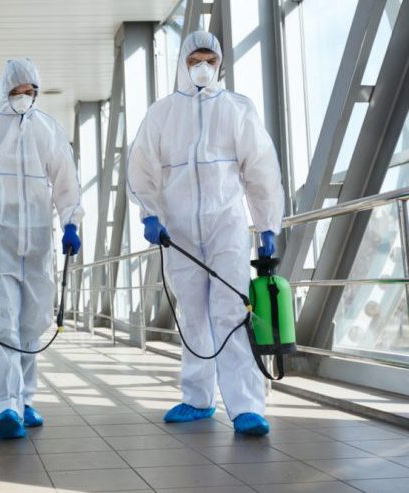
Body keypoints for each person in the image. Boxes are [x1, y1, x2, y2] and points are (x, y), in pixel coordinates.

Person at [126, 31, 284, 436]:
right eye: (195, 59)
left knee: (231, 312)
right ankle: (197, 398)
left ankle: (246, 405)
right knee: (193, 313)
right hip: (178, 229)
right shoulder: (162, 114)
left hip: (226, 226)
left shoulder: (237, 109)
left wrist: (267, 224)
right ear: (182, 62)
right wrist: (149, 213)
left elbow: (261, 171)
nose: (202, 67)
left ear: (220, 64)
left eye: (210, 60)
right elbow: (141, 168)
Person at [0, 58, 84, 439]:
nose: (23, 97)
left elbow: (65, 180)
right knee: (5, 323)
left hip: (39, 242)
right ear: (4, 92)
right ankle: (5, 406)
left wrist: (72, 221)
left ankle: (25, 398)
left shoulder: (49, 130)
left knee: (30, 325)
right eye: (17, 91)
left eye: (30, 92)